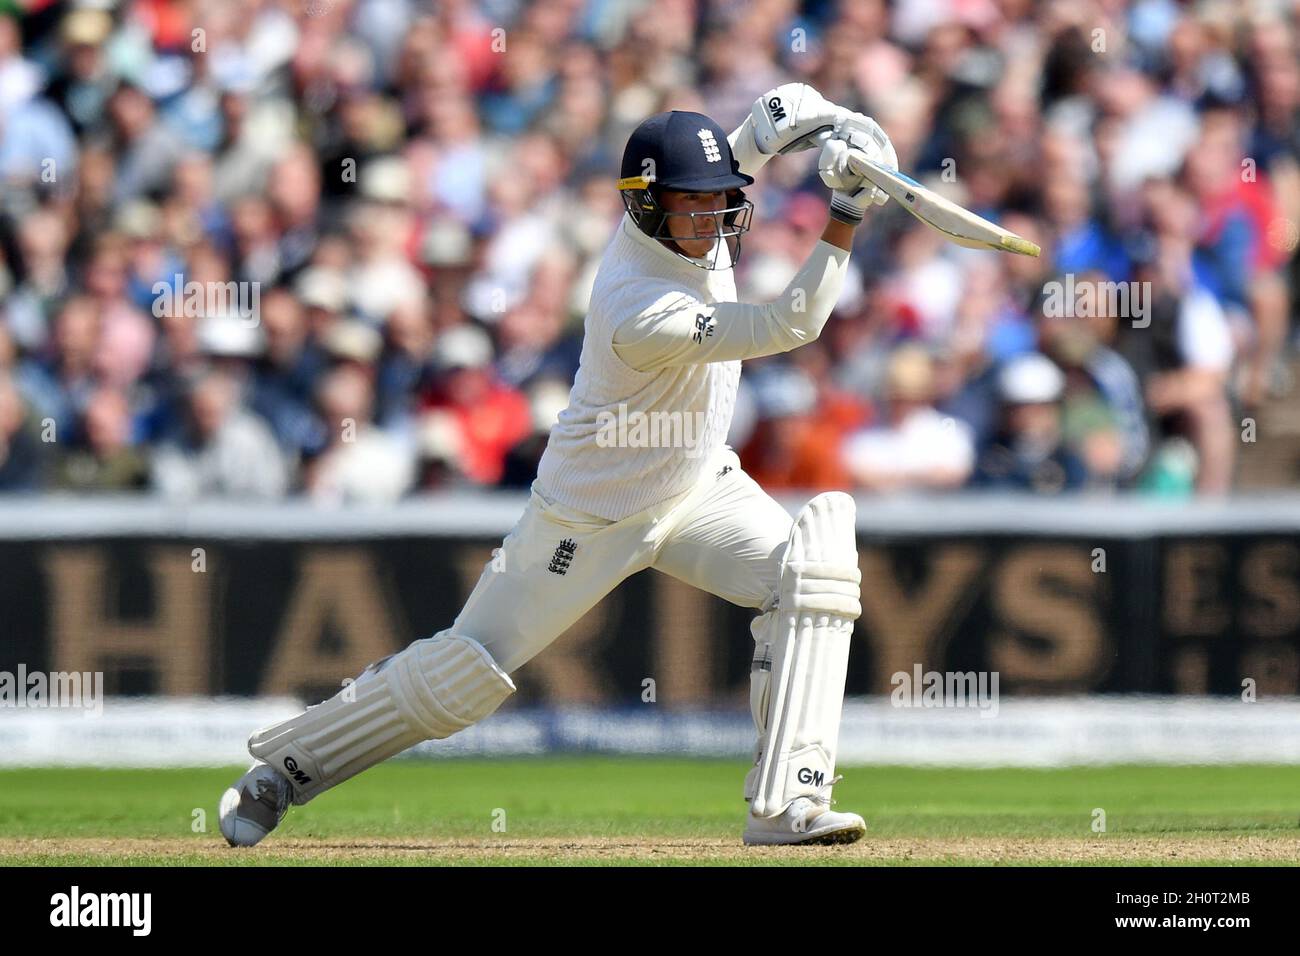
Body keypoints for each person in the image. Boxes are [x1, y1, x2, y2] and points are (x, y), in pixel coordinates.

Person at [219, 84, 897, 847]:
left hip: (700, 488)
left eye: (719, 204)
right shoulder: (640, 304)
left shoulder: (683, 213)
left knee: (814, 570)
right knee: (463, 680)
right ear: (646, 206)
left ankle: (787, 806)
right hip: (588, 517)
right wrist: (845, 213)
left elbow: (757, 128)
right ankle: (281, 770)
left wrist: (831, 125)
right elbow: (790, 323)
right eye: (693, 207)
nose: (711, 222)